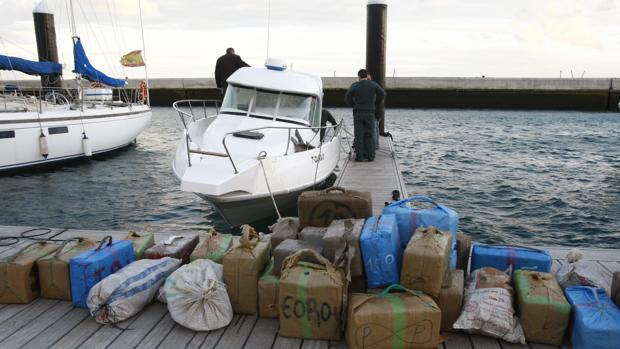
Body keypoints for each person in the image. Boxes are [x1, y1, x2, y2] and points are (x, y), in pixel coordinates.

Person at [344, 69, 385, 162]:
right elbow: (382, 94)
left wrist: (354, 105)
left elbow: (347, 98)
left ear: (358, 76)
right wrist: (374, 102)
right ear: (367, 75)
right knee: (369, 135)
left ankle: (360, 156)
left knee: (359, 135)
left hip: (358, 113)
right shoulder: (373, 85)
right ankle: (371, 156)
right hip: (370, 113)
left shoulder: (355, 86)